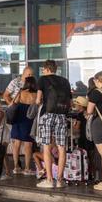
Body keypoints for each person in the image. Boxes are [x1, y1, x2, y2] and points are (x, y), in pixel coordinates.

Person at [35, 60, 72, 189]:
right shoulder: (65, 81)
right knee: (62, 148)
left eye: (43, 69)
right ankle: (60, 180)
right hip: (61, 115)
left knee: (46, 147)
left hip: (47, 115)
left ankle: (49, 180)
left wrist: (39, 102)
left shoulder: (42, 79)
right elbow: (70, 102)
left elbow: (38, 99)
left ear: (46, 69)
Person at [9, 76, 38, 176]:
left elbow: (13, 103)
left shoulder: (21, 92)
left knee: (16, 143)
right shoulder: (36, 95)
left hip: (18, 119)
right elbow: (38, 105)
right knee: (28, 144)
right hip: (28, 120)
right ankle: (27, 168)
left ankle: (16, 167)